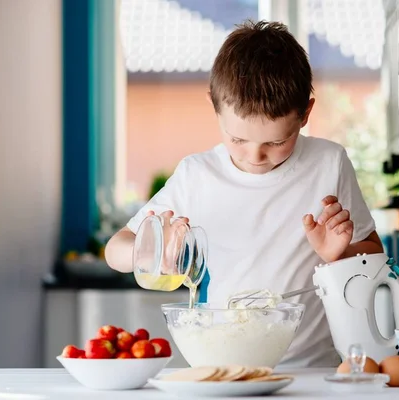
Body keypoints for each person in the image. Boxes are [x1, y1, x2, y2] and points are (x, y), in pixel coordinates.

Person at [105, 19, 384, 367]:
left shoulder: (328, 163)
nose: (255, 155)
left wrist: (337, 256)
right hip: (223, 368)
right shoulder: (197, 175)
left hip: (312, 372)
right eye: (237, 139)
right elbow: (115, 250)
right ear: (215, 107)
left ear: (305, 114)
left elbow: (374, 254)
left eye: (276, 141)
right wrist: (151, 252)